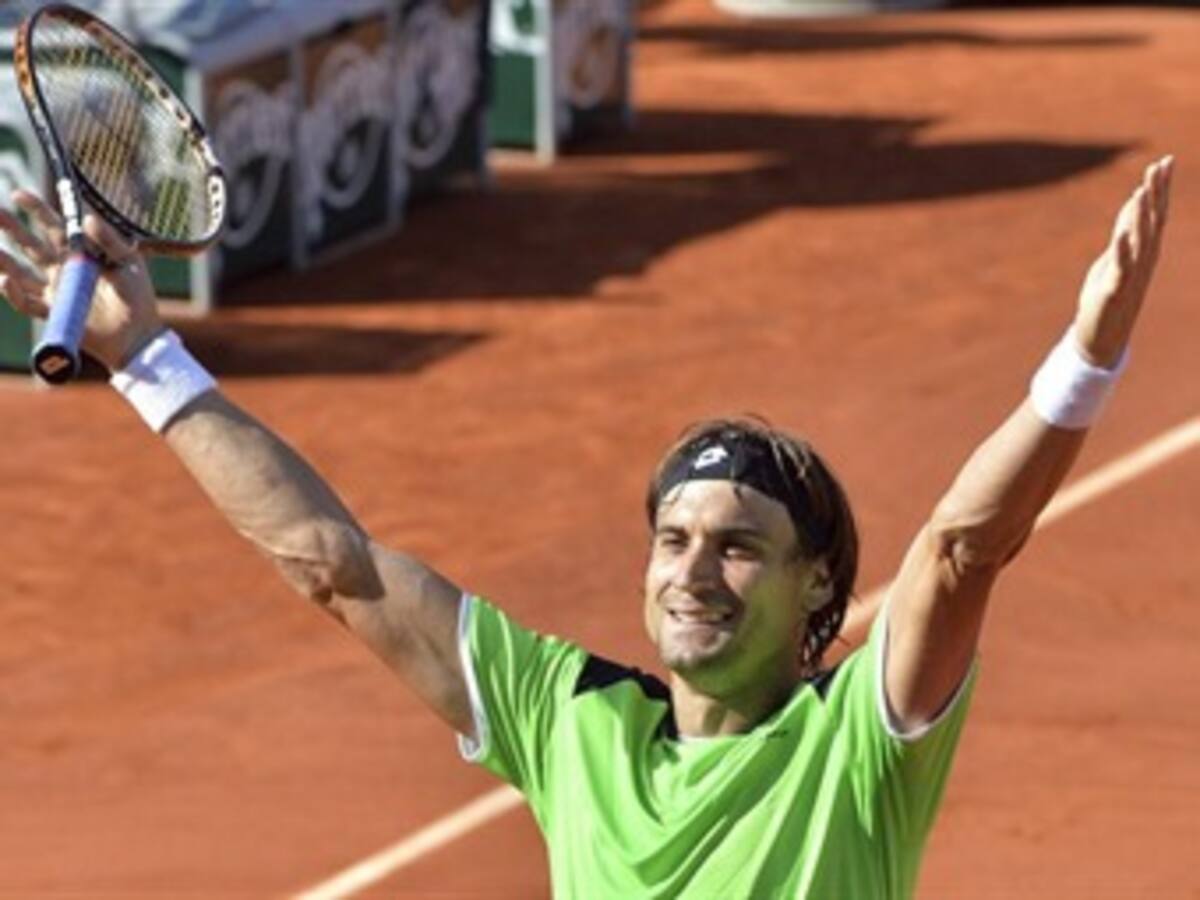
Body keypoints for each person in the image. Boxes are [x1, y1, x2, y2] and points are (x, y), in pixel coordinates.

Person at [0, 156, 1173, 897]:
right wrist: (146, 362)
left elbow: (963, 546)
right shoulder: (574, 725)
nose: (693, 572)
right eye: (673, 538)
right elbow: (335, 568)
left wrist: (1087, 359)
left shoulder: (856, 749)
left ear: (821, 589)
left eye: (739, 544)